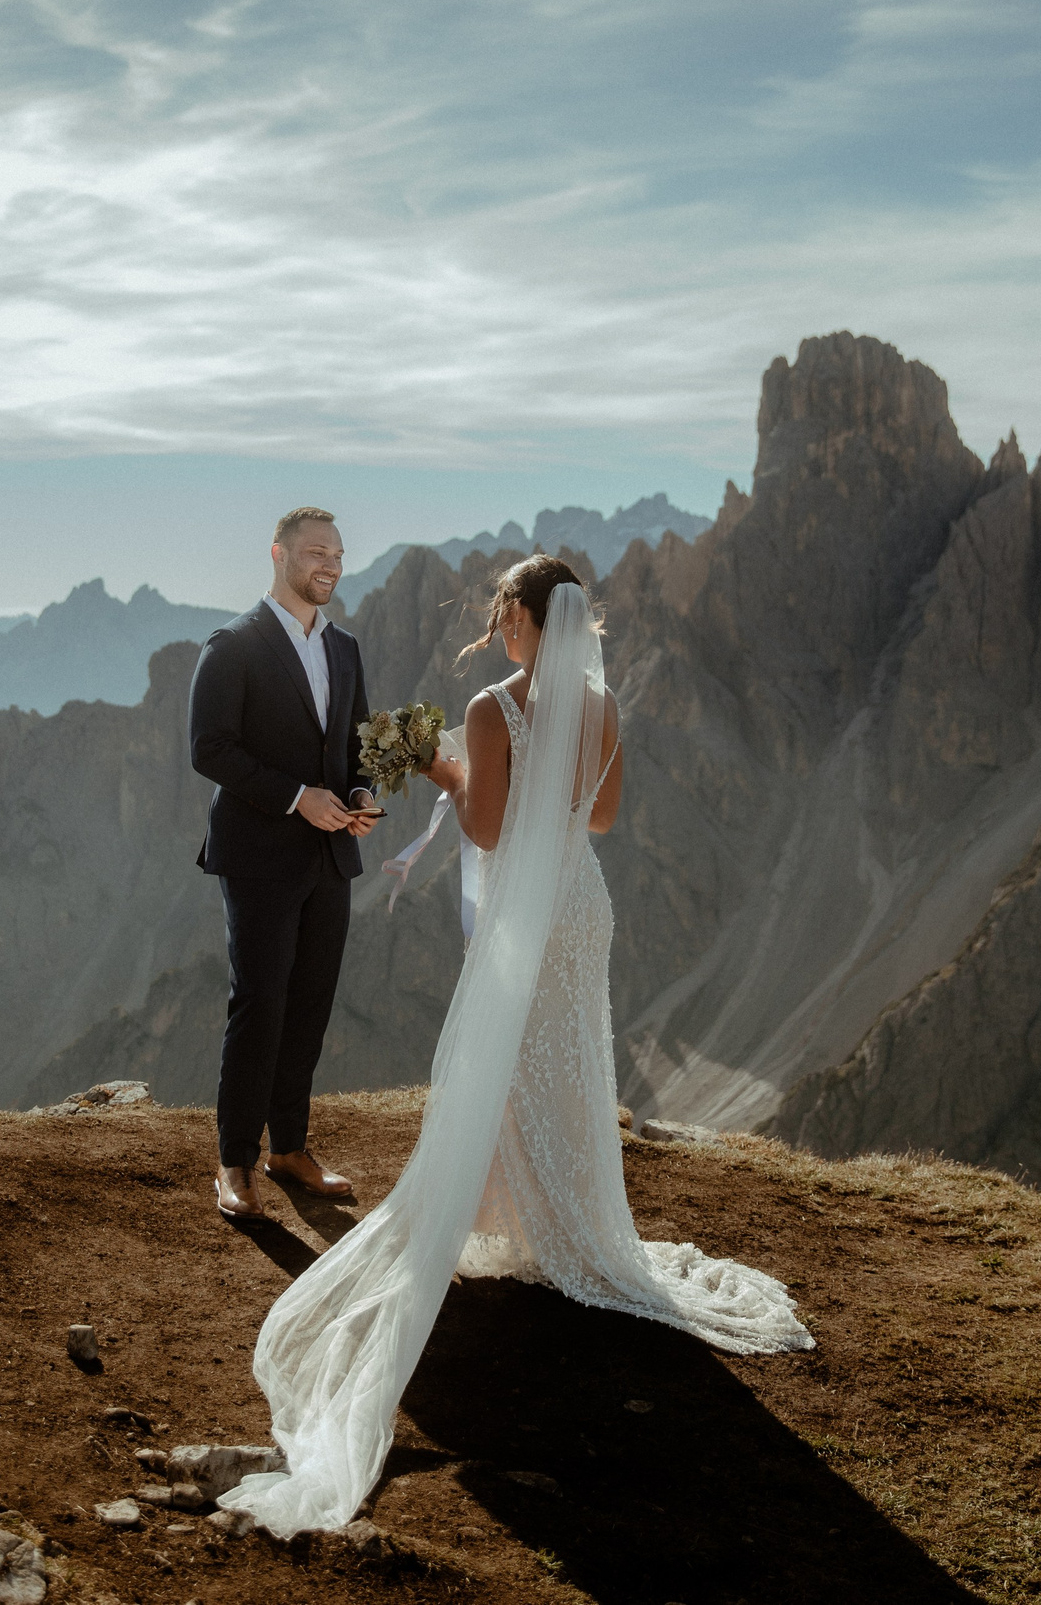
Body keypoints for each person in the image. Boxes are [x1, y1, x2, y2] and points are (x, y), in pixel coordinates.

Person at [220, 556, 815, 1537]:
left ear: (528, 623)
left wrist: (444, 765)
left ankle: (524, 1224)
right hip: (579, 902)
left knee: (503, 1066)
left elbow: (488, 826)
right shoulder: (602, 705)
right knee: (567, 1062)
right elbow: (607, 815)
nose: (498, 631)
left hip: (520, 908)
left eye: (505, 616)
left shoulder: (492, 709)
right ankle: (566, 1223)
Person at [188, 506, 382, 1224]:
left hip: (332, 854)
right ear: (278, 554)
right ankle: (234, 1160)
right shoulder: (233, 644)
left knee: (309, 1002)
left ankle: (289, 1146)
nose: (328, 563)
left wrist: (360, 792)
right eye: (313, 552)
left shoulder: (346, 648)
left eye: (337, 552)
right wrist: (299, 797)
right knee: (260, 1001)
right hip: (259, 853)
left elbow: (354, 749)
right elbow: (209, 748)